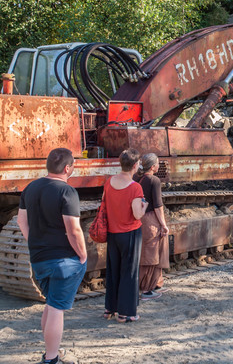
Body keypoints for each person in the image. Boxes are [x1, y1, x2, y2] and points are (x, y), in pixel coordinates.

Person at [17, 148, 87, 364]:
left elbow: (21, 221)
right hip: (63, 261)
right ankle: (51, 358)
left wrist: (35, 243)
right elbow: (73, 229)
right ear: (67, 168)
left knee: (51, 303)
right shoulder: (66, 192)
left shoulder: (30, 188)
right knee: (57, 308)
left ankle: (51, 352)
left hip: (39, 258)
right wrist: (83, 255)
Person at [103, 148, 147, 323]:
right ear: (135, 166)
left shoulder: (109, 182)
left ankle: (110, 309)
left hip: (113, 234)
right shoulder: (135, 187)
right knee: (129, 272)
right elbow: (137, 214)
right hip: (129, 233)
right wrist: (144, 206)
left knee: (113, 271)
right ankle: (126, 313)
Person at [135, 153, 169, 300]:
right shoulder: (154, 180)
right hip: (151, 220)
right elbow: (157, 205)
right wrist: (163, 224)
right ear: (153, 166)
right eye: (157, 163)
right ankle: (147, 290)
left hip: (139, 218)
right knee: (151, 254)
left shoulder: (136, 178)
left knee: (145, 252)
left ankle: (155, 283)